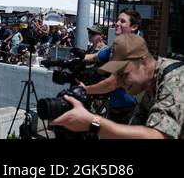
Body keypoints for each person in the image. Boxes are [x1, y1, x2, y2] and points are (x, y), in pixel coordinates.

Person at [54, 34, 182, 139]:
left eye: (123, 74)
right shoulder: (149, 87)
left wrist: (92, 122)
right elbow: (133, 131)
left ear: (143, 62)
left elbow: (158, 136)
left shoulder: (175, 79)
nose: (119, 82)